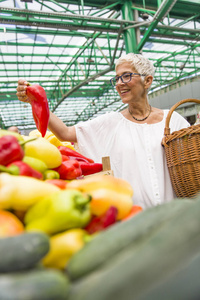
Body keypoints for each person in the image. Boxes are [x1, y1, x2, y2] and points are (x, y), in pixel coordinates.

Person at [16, 53, 189, 209]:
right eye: (117, 78)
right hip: (133, 218)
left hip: (174, 216)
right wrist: (36, 100)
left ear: (148, 81)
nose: (120, 83)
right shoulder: (110, 123)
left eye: (126, 76)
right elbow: (65, 133)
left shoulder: (172, 119)